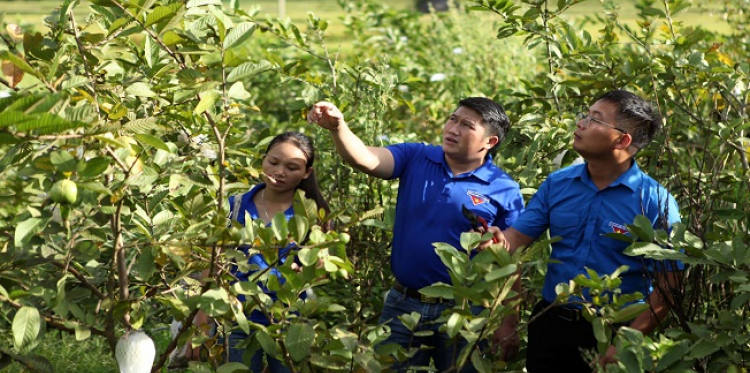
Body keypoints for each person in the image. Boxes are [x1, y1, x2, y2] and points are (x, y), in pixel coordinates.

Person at [307, 97, 525, 371]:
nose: (453, 128)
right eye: (452, 119)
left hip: (466, 313)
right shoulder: (416, 156)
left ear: (490, 142)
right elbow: (365, 159)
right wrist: (338, 127)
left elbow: (512, 259)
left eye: (467, 125)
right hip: (403, 305)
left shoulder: (504, 188)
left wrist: (508, 322)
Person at [489, 89, 682, 372]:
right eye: (585, 115)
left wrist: (630, 340)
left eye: (595, 119)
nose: (580, 123)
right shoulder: (558, 184)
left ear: (622, 139)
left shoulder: (655, 201)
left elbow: (669, 286)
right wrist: (494, 241)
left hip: (615, 330)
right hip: (551, 323)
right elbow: (515, 241)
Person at [196, 132, 330, 372]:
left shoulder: (312, 214)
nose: (280, 172)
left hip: (290, 320)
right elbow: (212, 266)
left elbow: (322, 270)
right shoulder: (234, 205)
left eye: (291, 167)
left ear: (306, 173)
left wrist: (306, 268)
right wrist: (203, 323)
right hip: (238, 321)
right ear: (263, 159)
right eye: (273, 162)